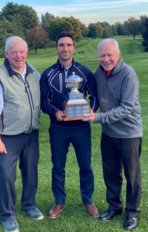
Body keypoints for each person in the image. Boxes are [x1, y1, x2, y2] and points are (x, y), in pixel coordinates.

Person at [0, 36, 44, 232]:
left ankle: (29, 205)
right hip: (8, 137)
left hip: (31, 134)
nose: (18, 56)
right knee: (6, 176)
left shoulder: (35, 73)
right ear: (6, 54)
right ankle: (8, 215)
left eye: (21, 51)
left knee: (30, 172)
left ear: (26, 52)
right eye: (14, 52)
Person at [84, 38, 143, 231]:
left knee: (132, 175)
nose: (106, 59)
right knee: (111, 173)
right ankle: (114, 207)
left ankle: (132, 212)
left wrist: (98, 117)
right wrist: (81, 109)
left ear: (118, 55)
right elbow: (93, 98)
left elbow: (126, 107)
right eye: (102, 55)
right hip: (109, 134)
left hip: (129, 134)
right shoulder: (98, 74)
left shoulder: (128, 74)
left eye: (110, 55)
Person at [40, 31, 99, 219]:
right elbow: (43, 101)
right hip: (58, 129)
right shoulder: (48, 74)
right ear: (56, 48)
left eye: (68, 45)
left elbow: (95, 97)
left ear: (74, 47)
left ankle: (88, 201)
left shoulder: (84, 72)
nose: (65, 48)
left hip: (81, 127)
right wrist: (54, 112)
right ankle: (59, 201)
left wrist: (91, 111)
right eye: (61, 45)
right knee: (58, 166)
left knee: (86, 165)